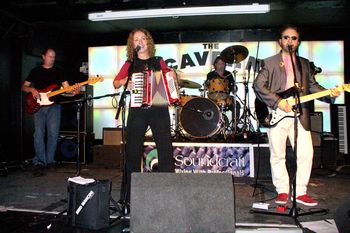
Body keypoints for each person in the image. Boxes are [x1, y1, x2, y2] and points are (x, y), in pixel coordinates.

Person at [253, 25, 340, 206]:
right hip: (277, 114)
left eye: (293, 38)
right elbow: (258, 85)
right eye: (286, 37)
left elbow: (312, 87)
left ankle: (300, 191)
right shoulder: (269, 62)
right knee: (278, 155)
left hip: (300, 114)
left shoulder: (305, 64)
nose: (290, 41)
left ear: (298, 42)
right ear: (280, 41)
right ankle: (283, 191)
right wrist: (278, 102)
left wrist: (329, 94)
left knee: (306, 153)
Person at [113, 28, 175, 207]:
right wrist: (126, 81)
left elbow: (170, 79)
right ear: (132, 44)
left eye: (143, 38)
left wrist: (172, 81)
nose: (140, 41)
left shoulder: (159, 61)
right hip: (138, 109)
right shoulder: (130, 64)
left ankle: (169, 191)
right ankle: (128, 196)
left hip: (158, 108)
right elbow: (116, 83)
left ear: (148, 41)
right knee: (132, 151)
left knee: (165, 149)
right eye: (136, 39)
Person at [22, 48, 80, 176]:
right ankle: (40, 162)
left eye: (54, 57)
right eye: (50, 56)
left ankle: (50, 161)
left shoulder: (59, 70)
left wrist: (75, 91)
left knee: (53, 134)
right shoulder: (36, 71)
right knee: (39, 133)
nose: (52, 59)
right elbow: (24, 86)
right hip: (39, 105)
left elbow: (67, 88)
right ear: (43, 56)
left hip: (54, 106)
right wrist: (32, 90)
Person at [205, 56, 241, 130]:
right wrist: (207, 84)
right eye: (219, 63)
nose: (221, 65)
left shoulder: (229, 75)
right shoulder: (210, 75)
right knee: (205, 106)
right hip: (213, 98)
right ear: (215, 65)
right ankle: (209, 127)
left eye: (223, 63)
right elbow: (207, 86)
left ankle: (234, 125)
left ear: (225, 65)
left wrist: (234, 89)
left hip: (226, 98)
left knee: (236, 105)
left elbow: (233, 86)